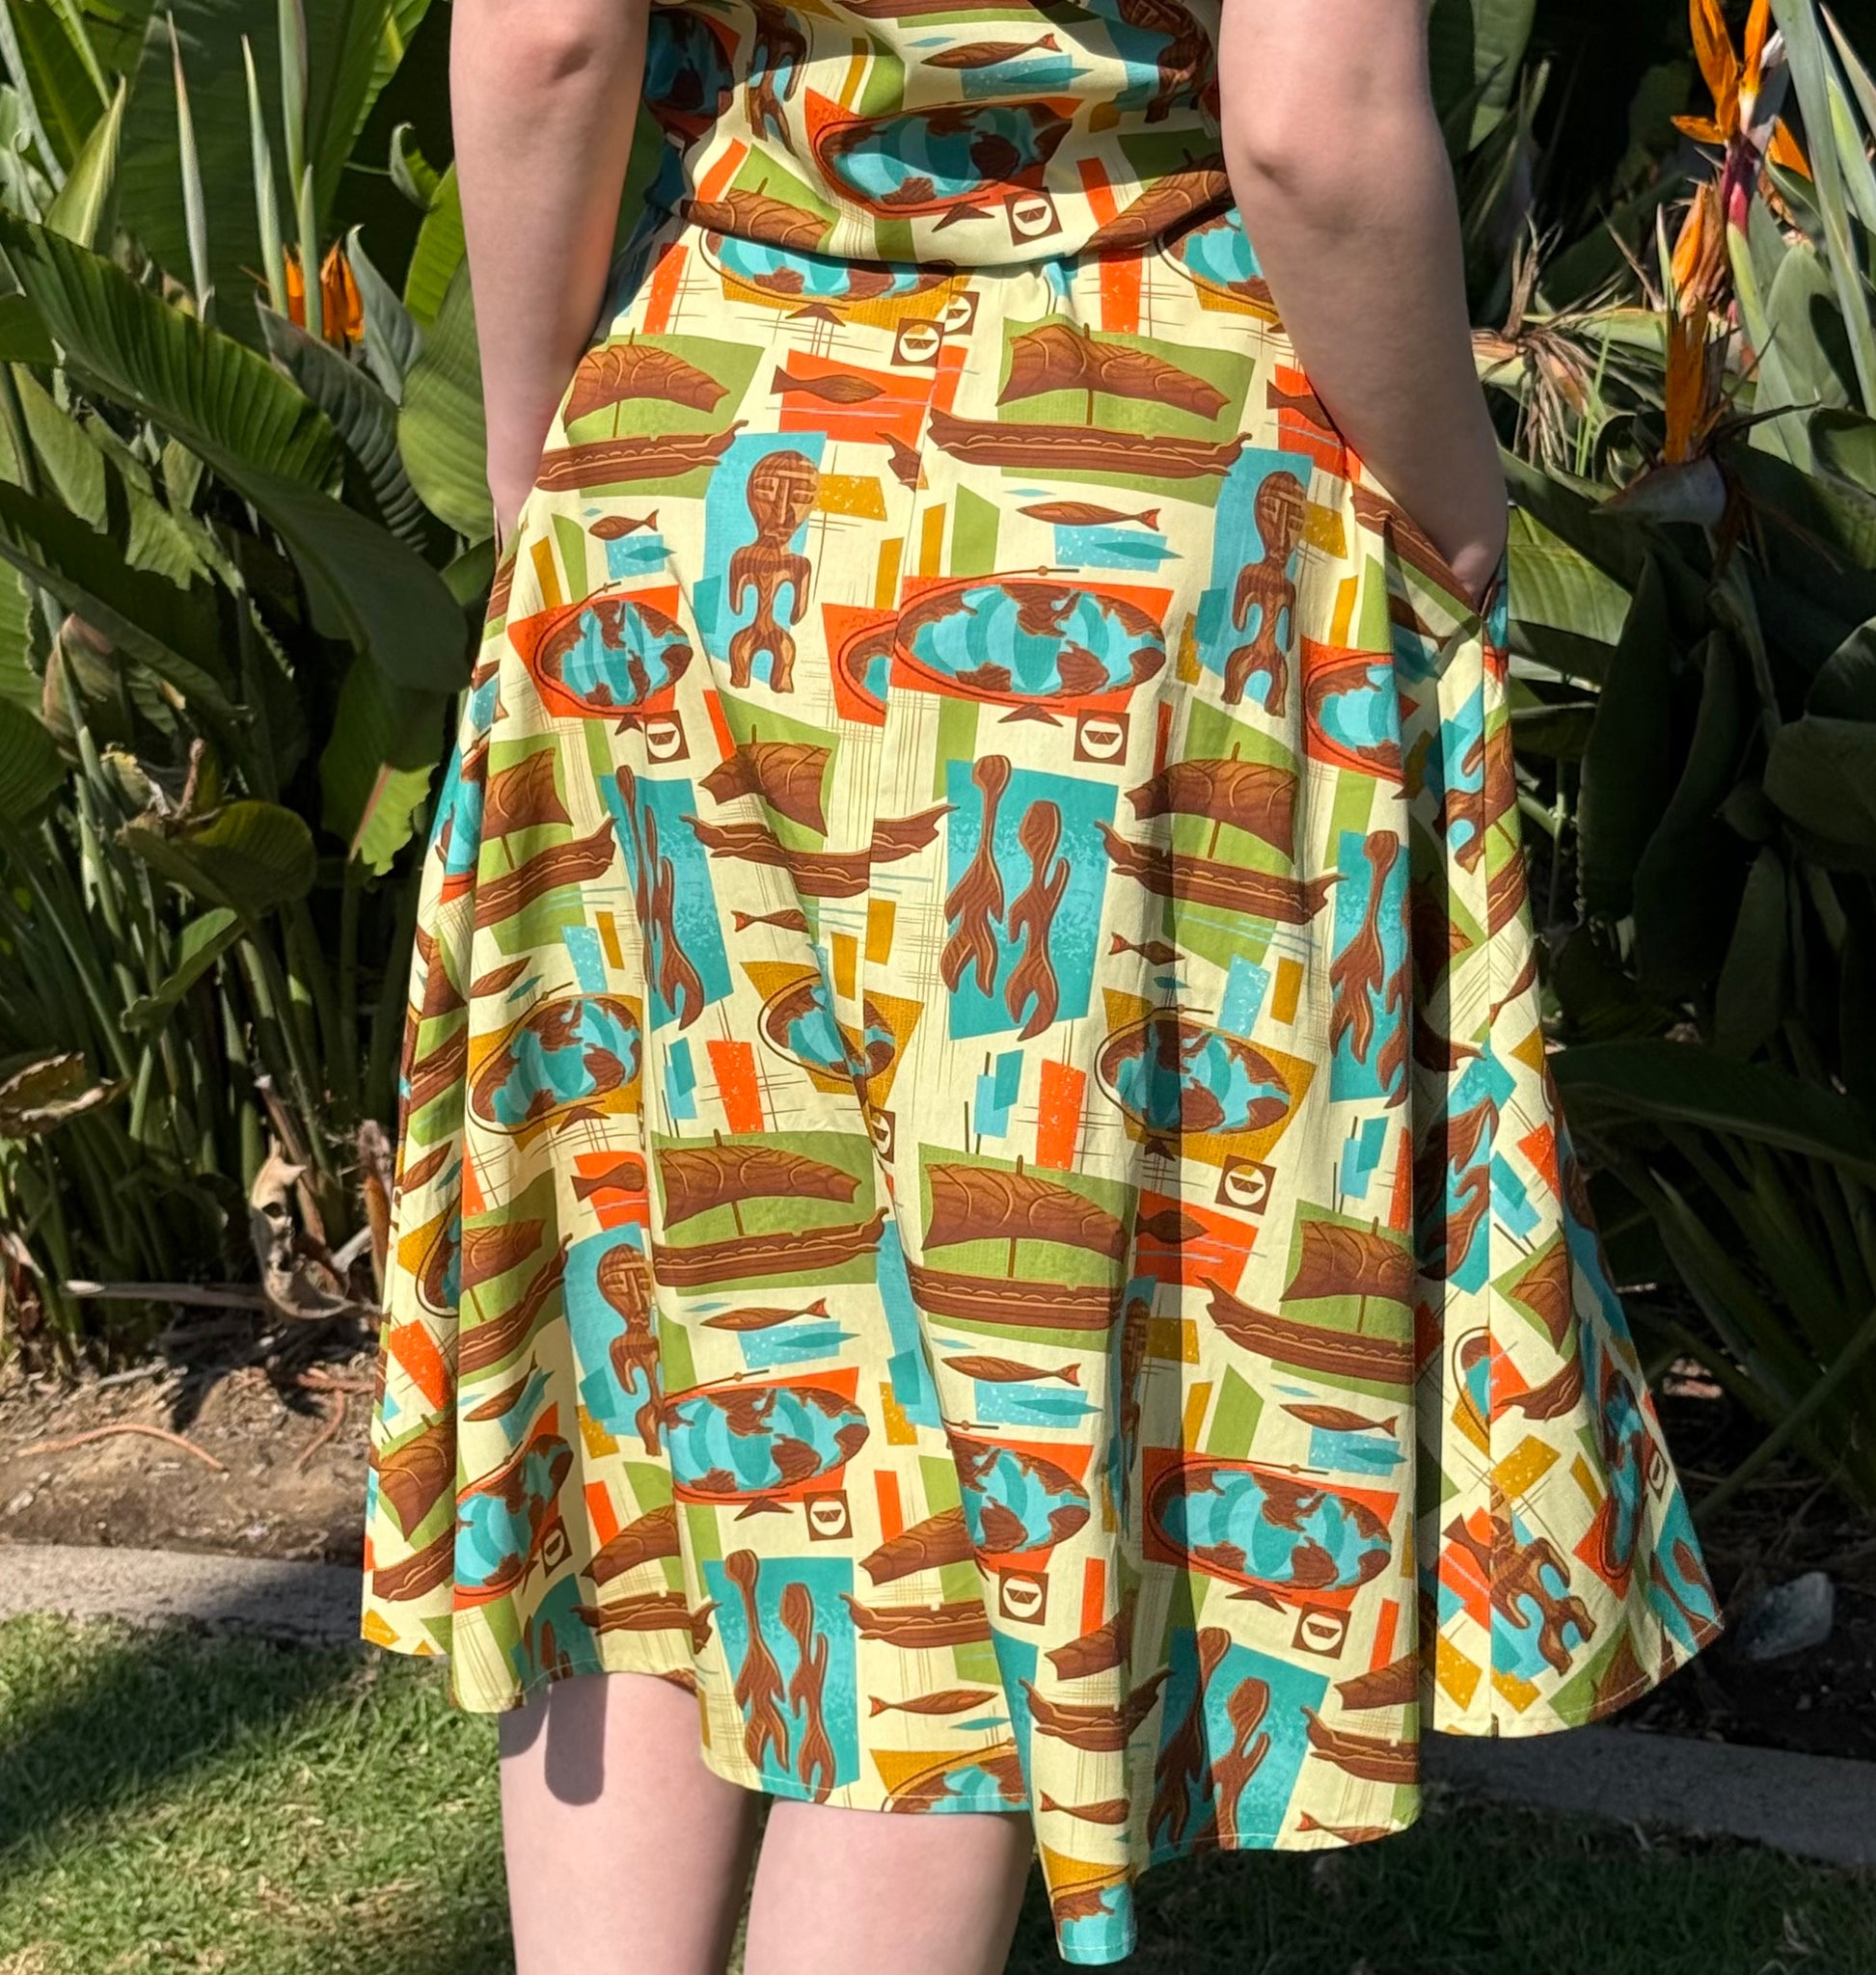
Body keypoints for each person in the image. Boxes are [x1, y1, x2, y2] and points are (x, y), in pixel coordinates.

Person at [362, 3, 1726, 1970]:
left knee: (656, 1388)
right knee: (973, 1438)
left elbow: (547, 36)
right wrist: (1456, 518)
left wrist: (542, 472)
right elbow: (1309, 126)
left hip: (690, 474)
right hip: (1119, 507)